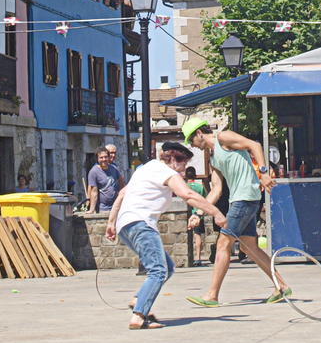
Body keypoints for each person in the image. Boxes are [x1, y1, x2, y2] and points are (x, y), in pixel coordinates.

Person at [105, 142, 226, 330]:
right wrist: (216, 213)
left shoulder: (145, 169)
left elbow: (122, 194)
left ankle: (139, 299)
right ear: (173, 160)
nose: (184, 170)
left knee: (167, 267)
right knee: (158, 270)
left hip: (125, 225)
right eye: (183, 164)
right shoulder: (166, 172)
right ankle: (139, 316)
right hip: (141, 223)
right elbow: (187, 194)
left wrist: (111, 222)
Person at [182, 118, 291, 307]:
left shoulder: (223, 137)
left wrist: (264, 173)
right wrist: (198, 212)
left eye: (191, 140)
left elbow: (254, 145)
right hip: (241, 199)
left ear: (199, 133)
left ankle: (212, 295)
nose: (192, 145)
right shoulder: (214, 157)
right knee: (248, 247)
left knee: (223, 243)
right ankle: (281, 286)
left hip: (245, 197)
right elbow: (216, 189)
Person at [87, 146, 126, 213]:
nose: (104, 159)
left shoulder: (114, 169)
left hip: (115, 207)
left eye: (105, 157)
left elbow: (122, 185)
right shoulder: (94, 172)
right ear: (97, 159)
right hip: (102, 208)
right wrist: (91, 209)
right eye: (101, 157)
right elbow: (94, 192)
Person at [185, 166, 207, 266]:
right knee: (198, 236)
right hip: (198, 214)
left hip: (187, 214)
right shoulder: (200, 187)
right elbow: (205, 198)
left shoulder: (184, 186)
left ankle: (190, 257)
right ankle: (198, 257)